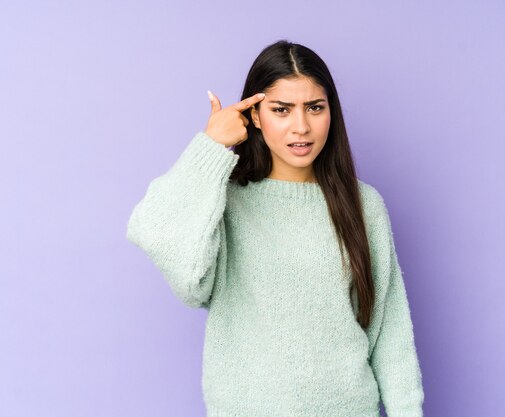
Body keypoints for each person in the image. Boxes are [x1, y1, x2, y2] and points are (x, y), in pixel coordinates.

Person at [126, 39, 425, 417]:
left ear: (331, 112)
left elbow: (390, 333)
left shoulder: (364, 205)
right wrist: (210, 146)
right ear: (254, 116)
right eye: (281, 110)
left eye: (315, 108)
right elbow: (165, 245)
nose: (301, 127)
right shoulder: (225, 199)